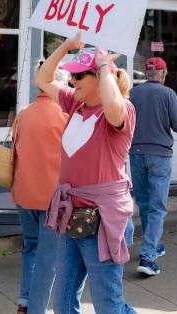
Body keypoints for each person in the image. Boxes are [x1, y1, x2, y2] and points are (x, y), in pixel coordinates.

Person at [37, 32, 137, 314]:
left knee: (107, 304)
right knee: (63, 302)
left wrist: (105, 66)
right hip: (72, 216)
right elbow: (44, 80)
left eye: (80, 76)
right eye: (73, 76)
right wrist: (67, 47)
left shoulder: (120, 112)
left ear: (98, 79)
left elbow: (114, 107)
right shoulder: (75, 103)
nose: (72, 81)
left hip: (103, 219)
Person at [12, 68, 69, 314]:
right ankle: (36, 308)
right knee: (48, 260)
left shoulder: (24, 114)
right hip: (52, 198)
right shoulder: (66, 115)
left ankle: (25, 301)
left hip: (24, 193)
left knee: (30, 248)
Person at [129, 56, 177, 277]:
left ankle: (155, 245)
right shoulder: (168, 94)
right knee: (158, 206)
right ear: (163, 74)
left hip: (136, 153)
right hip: (160, 155)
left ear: (146, 73)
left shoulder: (132, 93)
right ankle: (148, 256)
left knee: (144, 203)